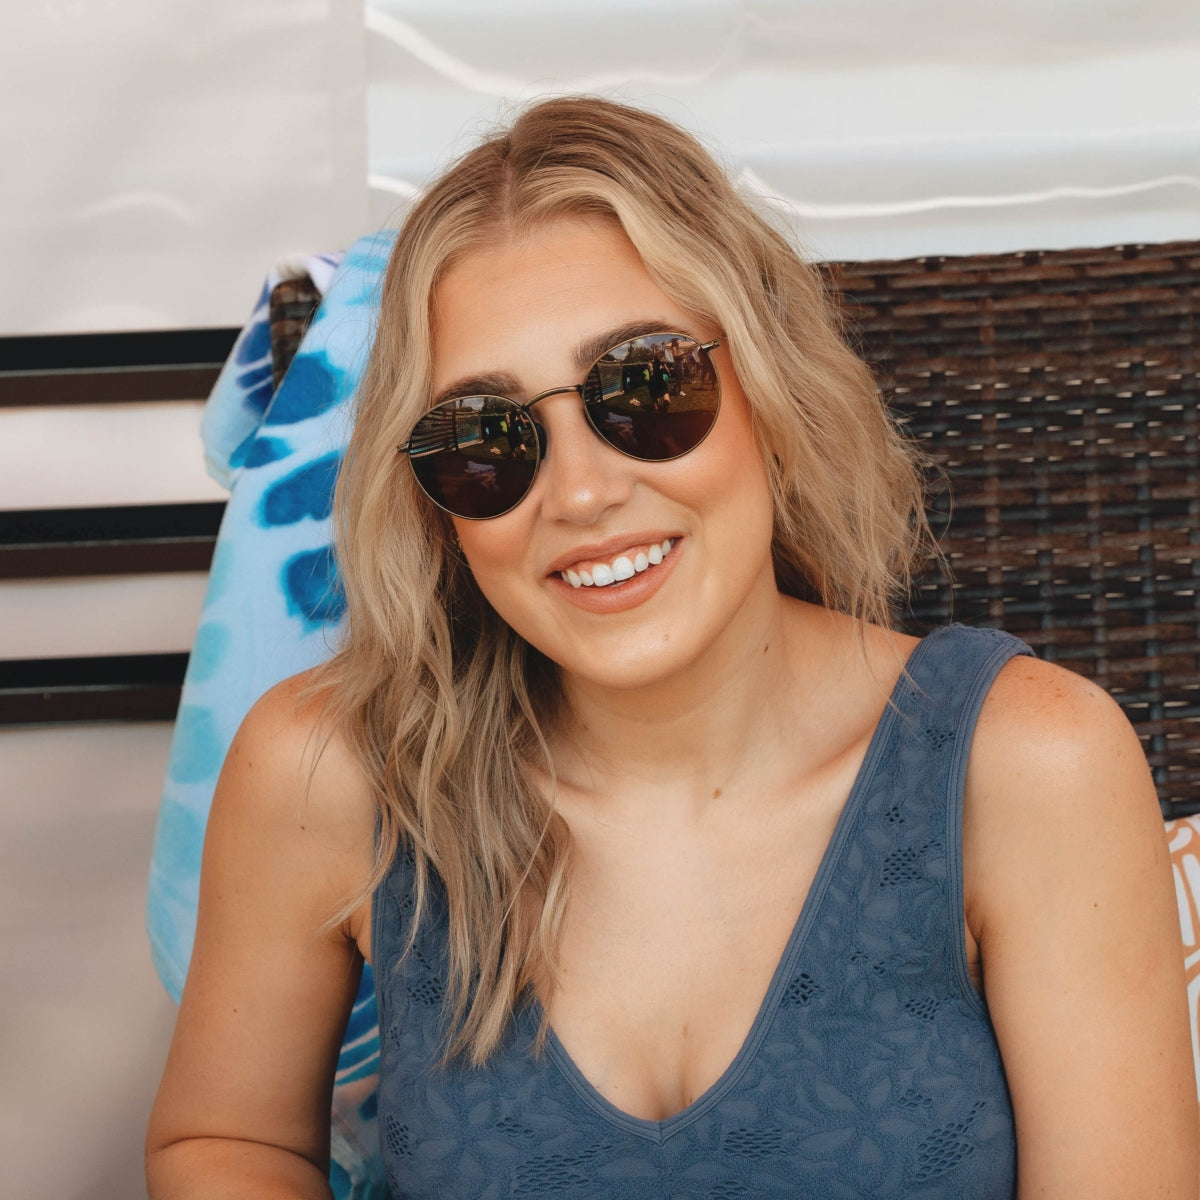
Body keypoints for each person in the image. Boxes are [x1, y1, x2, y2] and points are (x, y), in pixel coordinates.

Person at [145, 96, 1198, 1198]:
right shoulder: (331, 775)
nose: (582, 493)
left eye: (644, 387)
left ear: (772, 388)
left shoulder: (1031, 767)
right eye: (485, 438)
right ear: (434, 505)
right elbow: (228, 1142)